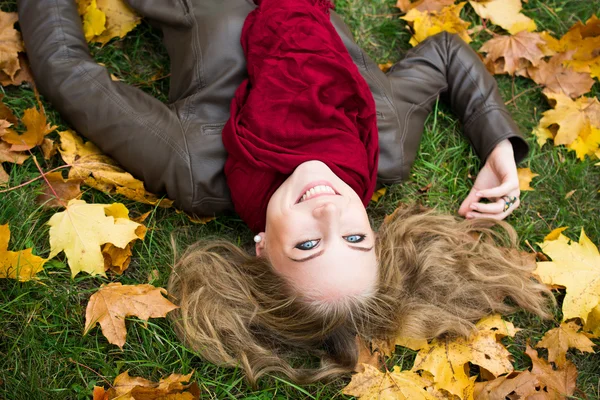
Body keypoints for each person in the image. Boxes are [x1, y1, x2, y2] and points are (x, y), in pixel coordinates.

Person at [18, 0, 550, 386]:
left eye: (308, 247)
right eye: (354, 237)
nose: (327, 211)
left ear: (260, 249)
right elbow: (444, 55)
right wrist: (496, 142)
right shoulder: (382, 142)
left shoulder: (195, 165)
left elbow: (69, 73)